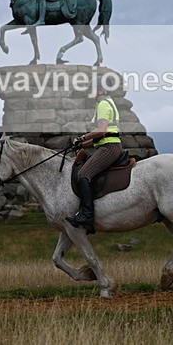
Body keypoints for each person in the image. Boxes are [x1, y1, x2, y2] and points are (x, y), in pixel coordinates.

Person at [65, 82, 123, 234]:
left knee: (83, 174)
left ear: (101, 90)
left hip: (109, 148)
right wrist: (82, 144)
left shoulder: (103, 104)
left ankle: (87, 216)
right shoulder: (107, 103)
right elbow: (103, 135)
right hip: (108, 144)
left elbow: (101, 131)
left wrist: (82, 137)